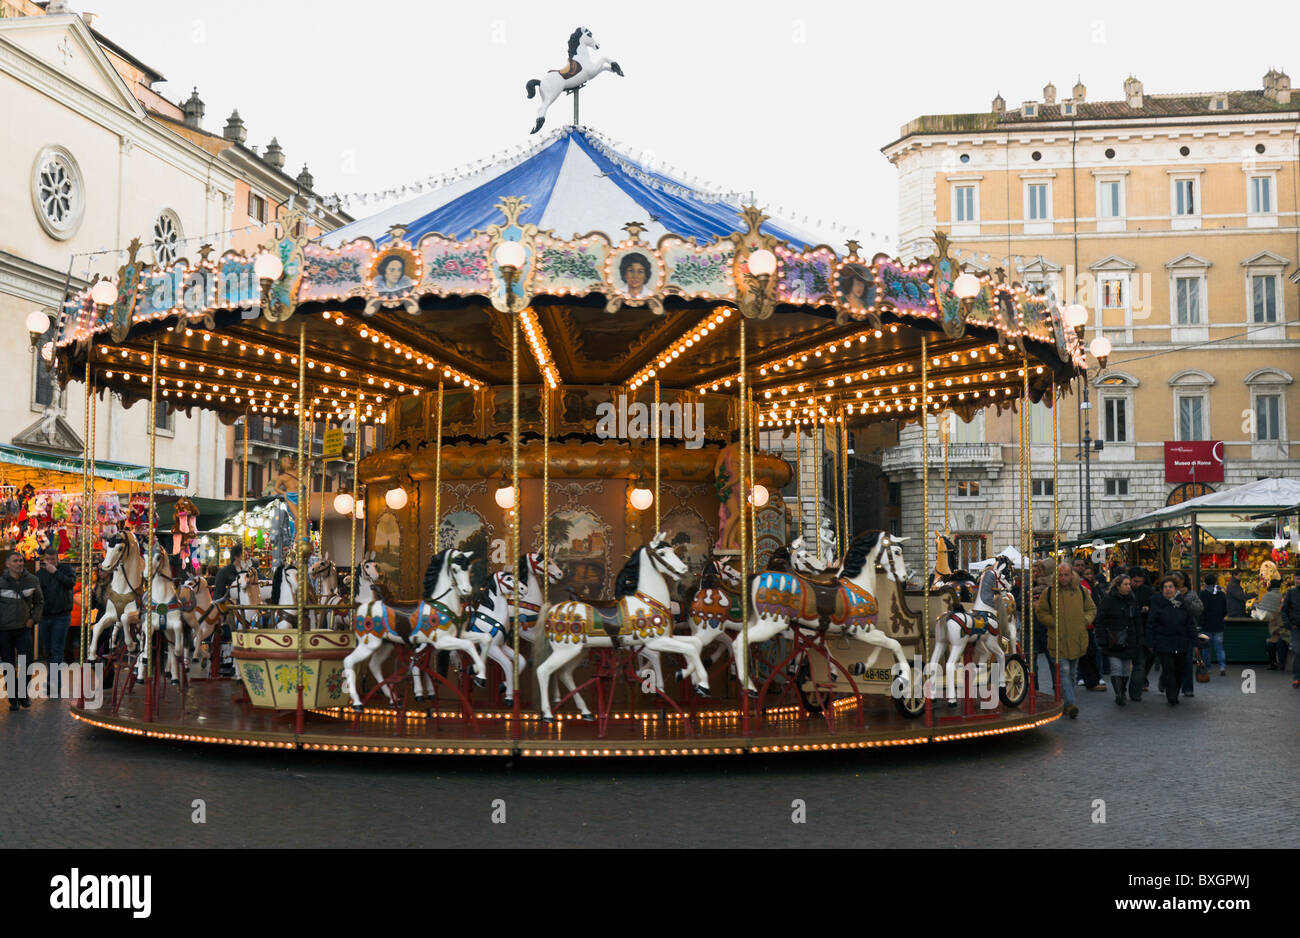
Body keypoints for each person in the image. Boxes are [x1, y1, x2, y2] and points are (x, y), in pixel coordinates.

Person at [1035, 562, 1096, 719]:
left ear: (1071, 575)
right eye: (1060, 575)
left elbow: (1091, 609)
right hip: (1058, 638)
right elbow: (1041, 612)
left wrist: (1085, 620)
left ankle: (1064, 699)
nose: (1063, 578)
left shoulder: (1081, 591)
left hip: (1076, 637)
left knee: (1072, 673)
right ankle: (1069, 703)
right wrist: (1052, 622)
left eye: (1066, 575)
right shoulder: (1049, 593)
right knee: (1064, 671)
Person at [0, 551, 44, 710]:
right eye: (15, 561)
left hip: (24, 629)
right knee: (8, 665)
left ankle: (23, 694)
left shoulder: (32, 580)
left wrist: (33, 620)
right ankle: (14, 699)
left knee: (27, 664)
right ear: (8, 564)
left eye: (21, 560)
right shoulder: (1, 582)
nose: (19, 563)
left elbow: (39, 602)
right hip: (4, 630)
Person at [1149, 575, 1196, 706]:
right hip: (1163, 641)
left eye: (1170, 587)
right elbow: (1151, 623)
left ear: (1176, 589)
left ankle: (1175, 690)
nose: (1168, 589)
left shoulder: (1183, 603)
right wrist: (1151, 641)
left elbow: (1190, 623)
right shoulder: (1157, 602)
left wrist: (1195, 640)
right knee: (1168, 669)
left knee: (1179, 670)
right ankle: (1172, 695)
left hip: (1181, 641)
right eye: (1165, 587)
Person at [1095, 574, 1143, 705]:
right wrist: (1102, 639)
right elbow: (1100, 620)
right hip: (1113, 638)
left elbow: (1137, 620)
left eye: (1129, 584)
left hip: (1129, 639)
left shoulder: (1132, 600)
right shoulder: (1108, 600)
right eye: (1125, 584)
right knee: (1116, 667)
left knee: (1126, 669)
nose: (1128, 587)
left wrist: (1139, 637)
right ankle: (1119, 694)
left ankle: (1122, 689)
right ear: (1118, 586)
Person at [35, 545, 76, 698]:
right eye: (48, 559)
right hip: (46, 617)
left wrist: (56, 572)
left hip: (62, 616)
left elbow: (70, 583)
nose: (50, 562)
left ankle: (54, 686)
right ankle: (52, 682)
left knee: (57, 650)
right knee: (49, 651)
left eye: (53, 559)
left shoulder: (66, 570)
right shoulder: (40, 574)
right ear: (44, 559)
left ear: (57, 559)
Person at [212, 544, 247, 677]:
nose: (248, 556)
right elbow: (218, 595)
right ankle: (229, 659)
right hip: (229, 608)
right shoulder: (225, 572)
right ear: (237, 556)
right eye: (245, 554)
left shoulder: (249, 571)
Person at [1072, 556, 1106, 691]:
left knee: (1091, 653)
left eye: (1082, 565)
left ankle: (1092, 680)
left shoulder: (1087, 583)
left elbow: (1094, 604)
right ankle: (1084, 679)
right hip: (1075, 624)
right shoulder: (1071, 583)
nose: (1080, 567)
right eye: (1077, 565)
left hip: (1088, 625)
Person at [1172, 571, 1203, 696]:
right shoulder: (1167, 593)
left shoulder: (1191, 595)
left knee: (1187, 661)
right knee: (1170, 661)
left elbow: (1199, 610)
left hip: (1187, 631)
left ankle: (1187, 688)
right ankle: (1168, 683)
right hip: (1170, 632)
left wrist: (1186, 601)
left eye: (1176, 579)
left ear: (1182, 581)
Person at [1129, 567, 1154, 695]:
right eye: (1135, 581)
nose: (1137, 584)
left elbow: (1153, 606)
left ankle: (1141, 678)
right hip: (1132, 629)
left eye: (1140, 581)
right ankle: (1137, 684)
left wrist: (1148, 608)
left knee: (1149, 657)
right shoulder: (1126, 591)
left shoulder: (1147, 591)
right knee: (1139, 660)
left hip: (1145, 627)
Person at [1199, 573, 1227, 677]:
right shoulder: (1222, 594)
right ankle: (1222, 666)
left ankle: (1207, 667)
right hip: (1219, 625)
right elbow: (1225, 610)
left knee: (1206, 648)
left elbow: (1200, 610)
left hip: (1206, 625)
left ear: (1205, 582)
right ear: (1216, 582)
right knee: (1219, 648)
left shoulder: (1203, 594)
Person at [1282, 579, 1300, 689]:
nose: (1299, 580)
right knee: (1297, 651)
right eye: (1298, 578)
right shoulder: (1291, 593)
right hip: (1296, 628)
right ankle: (1296, 677)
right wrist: (1288, 624)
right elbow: (1284, 610)